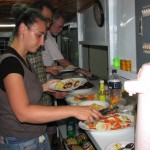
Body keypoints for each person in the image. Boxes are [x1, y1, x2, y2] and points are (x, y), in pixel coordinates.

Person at [0, 3, 101, 150]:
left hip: (36, 137)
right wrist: (74, 110)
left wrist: (47, 88)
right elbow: (23, 113)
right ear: (23, 28)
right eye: (39, 35)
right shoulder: (10, 63)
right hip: (20, 142)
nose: (42, 43)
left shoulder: (24, 59)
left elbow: (24, 90)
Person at [25, 1, 66, 148]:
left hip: (39, 115)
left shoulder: (32, 49)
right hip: (25, 136)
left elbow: (35, 78)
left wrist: (49, 90)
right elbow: (23, 110)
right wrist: (73, 110)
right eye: (47, 20)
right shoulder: (12, 59)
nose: (48, 25)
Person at [42, 12, 96, 78]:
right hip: (42, 79)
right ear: (51, 23)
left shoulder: (49, 37)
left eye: (62, 27)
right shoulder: (48, 39)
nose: (61, 29)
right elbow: (62, 62)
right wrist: (84, 72)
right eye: (59, 26)